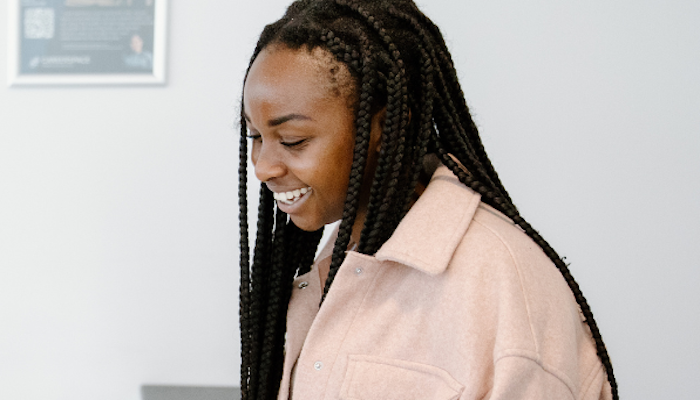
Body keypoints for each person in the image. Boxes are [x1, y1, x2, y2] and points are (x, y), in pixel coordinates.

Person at [235, 0, 617, 399]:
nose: (263, 168)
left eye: (293, 141)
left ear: (383, 127)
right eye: (255, 137)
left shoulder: (506, 287)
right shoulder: (337, 263)